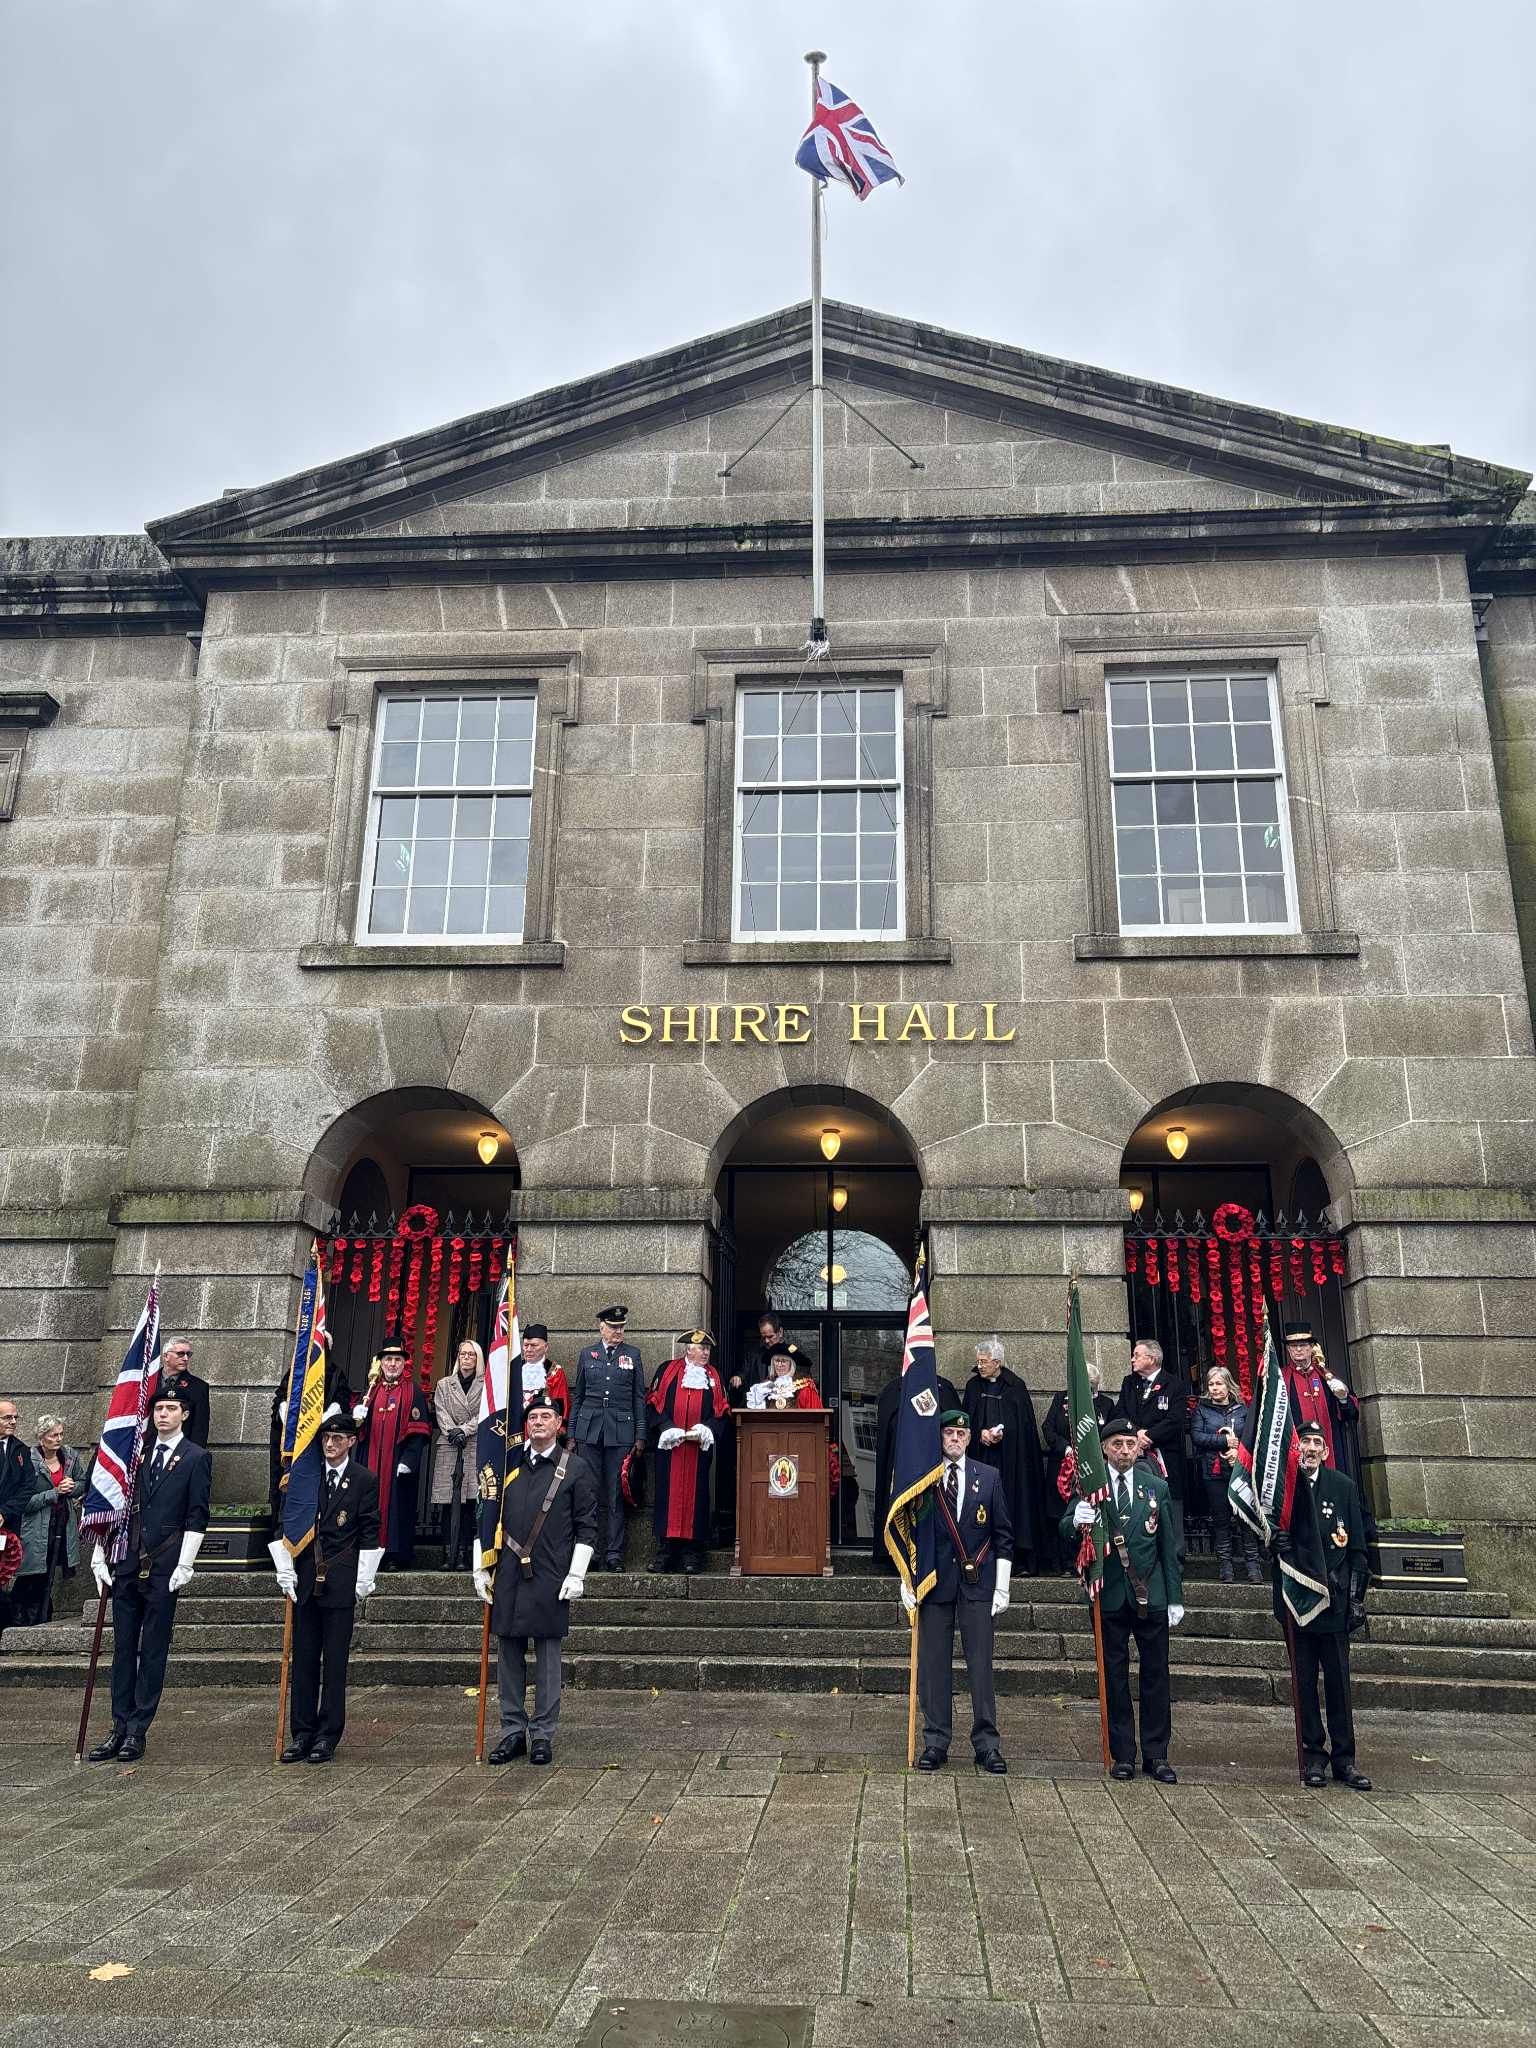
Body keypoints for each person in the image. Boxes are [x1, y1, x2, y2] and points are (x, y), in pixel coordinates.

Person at [87, 1385, 212, 1762]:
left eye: (171, 1408)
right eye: (159, 1408)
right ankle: (118, 1725)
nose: (163, 1415)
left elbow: (197, 1514)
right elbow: (112, 1504)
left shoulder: (196, 1457)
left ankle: (138, 1729)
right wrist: (99, 1552)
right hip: (126, 1561)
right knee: (123, 1649)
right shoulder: (133, 1454)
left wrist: (186, 1562)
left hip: (163, 1564)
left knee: (153, 1649)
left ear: (184, 1414)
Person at [474, 1391, 598, 1765]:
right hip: (509, 1572)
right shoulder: (508, 1463)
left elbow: (587, 1526)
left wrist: (577, 1573)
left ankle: (542, 1733)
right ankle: (512, 1731)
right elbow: (485, 1514)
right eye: (533, 1417)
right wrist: (481, 1564)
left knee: (547, 1658)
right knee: (509, 1654)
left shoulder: (575, 1468)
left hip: (550, 1572)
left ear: (559, 1424)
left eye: (546, 1416)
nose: (538, 1422)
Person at [1067, 1415, 1184, 1784]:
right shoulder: (1091, 1486)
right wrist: (1077, 1520)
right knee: (1114, 1677)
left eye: (1130, 1444)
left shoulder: (1156, 1487)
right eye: (1117, 1444)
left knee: (1156, 1675)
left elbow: (1169, 1546)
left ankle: (1156, 1754)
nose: (1124, 1451)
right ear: (1104, 1448)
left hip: (1151, 1595)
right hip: (1109, 1594)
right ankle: (1123, 1754)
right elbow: (1064, 1527)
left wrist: (1175, 1596)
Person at [902, 1409, 1012, 1774]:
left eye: (960, 1434)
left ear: (969, 1439)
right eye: (948, 1433)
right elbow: (910, 1534)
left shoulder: (989, 1477)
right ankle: (935, 1741)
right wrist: (907, 1579)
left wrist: (1002, 1586)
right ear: (939, 1437)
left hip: (978, 1586)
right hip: (934, 1584)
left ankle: (987, 1744)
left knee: (981, 1667)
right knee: (934, 1667)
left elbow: (1003, 1536)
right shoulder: (923, 1479)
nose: (954, 1439)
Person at [271, 1411, 383, 1765]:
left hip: (340, 1578)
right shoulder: (306, 1475)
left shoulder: (363, 1479)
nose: (330, 1444)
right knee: (304, 1659)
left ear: (351, 1441)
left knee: (335, 1663)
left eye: (337, 1438)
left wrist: (364, 1577)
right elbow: (286, 1521)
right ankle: (301, 1733)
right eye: (325, 1438)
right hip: (305, 1578)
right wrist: (284, 1566)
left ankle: (327, 1735)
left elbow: (369, 1528)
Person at [1278, 1417, 1372, 1791]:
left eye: (1317, 1443)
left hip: (1334, 1601)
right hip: (1298, 1602)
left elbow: (1358, 1549)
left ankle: (1345, 1758)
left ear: (1326, 1450)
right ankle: (1313, 1755)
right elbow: (1263, 1535)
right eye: (1305, 1442)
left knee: (1338, 1683)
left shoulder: (1342, 1486)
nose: (1311, 1449)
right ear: (1295, 1448)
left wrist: (1355, 1599)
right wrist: (1273, 1543)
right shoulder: (1283, 1489)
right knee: (1303, 1683)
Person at [569, 1306, 646, 1573]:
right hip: (589, 1431)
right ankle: (590, 1552)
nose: (618, 1332)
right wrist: (571, 1434)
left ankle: (614, 1554)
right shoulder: (587, 1354)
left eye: (621, 1327)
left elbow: (638, 1397)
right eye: (613, 1327)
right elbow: (578, 1396)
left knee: (615, 1495)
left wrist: (640, 1434)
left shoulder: (632, 1355)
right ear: (601, 1327)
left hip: (621, 1432)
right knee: (589, 1493)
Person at [961, 1337, 1046, 1576]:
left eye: (984, 1362)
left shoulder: (1015, 1387)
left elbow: (1024, 1428)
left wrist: (1003, 1434)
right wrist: (980, 1433)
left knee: (1012, 1504)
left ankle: (1016, 1559)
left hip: (1011, 1462)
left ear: (997, 1362)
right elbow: (964, 1421)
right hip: (980, 1458)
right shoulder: (973, 1387)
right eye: (978, 1361)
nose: (979, 1366)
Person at [646, 1330, 727, 1575]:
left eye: (707, 1349)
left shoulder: (713, 1376)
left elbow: (722, 1409)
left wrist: (708, 1428)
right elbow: (653, 1401)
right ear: (688, 1349)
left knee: (697, 1497)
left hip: (697, 1450)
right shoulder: (667, 1370)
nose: (705, 1353)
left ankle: (692, 1553)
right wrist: (666, 1427)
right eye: (701, 1348)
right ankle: (666, 1552)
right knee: (667, 1496)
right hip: (670, 1448)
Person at [873, 1365, 963, 1569]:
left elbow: (957, 1430)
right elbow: (886, 1436)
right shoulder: (893, 1390)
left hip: (935, 1470)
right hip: (901, 1469)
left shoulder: (944, 1389)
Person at [354, 1342, 432, 1570]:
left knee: (397, 1509)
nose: (392, 1364)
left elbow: (418, 1431)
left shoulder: (413, 1391)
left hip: (397, 1462)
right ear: (381, 1363)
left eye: (397, 1359)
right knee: (366, 1505)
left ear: (404, 1363)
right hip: (370, 1460)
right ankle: (367, 1552)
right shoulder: (370, 1390)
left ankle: (393, 1556)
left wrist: (409, 1460)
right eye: (388, 1359)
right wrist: (355, 1418)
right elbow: (357, 1431)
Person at [1118, 1339, 1190, 1561]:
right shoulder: (1129, 1383)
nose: (1132, 1359)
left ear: (1151, 1358)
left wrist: (1149, 1436)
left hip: (1165, 1455)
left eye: (1136, 1355)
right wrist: (1135, 1436)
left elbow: (1175, 1419)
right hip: (1134, 1454)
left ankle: (1175, 1557)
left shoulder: (1174, 1384)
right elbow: (1121, 1413)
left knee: (1170, 1505)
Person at [13, 1416, 88, 1625]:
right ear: (41, 1437)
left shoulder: (70, 1456)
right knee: (30, 1574)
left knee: (48, 1573)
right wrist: (54, 1493)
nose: (59, 1439)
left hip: (61, 1525)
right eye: (53, 1435)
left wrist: (72, 1487)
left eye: (61, 1434)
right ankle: (22, 1619)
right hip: (34, 1528)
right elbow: (22, 1502)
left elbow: (83, 1483)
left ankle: (41, 1616)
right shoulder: (27, 1460)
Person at [1191, 1366, 1262, 1583]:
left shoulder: (1242, 1410)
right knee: (1221, 1520)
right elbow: (1197, 1437)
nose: (1215, 1388)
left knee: (1245, 1517)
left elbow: (1252, 1437)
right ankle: (1226, 1567)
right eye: (1211, 1384)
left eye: (1219, 1384)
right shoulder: (1202, 1410)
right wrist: (1224, 1441)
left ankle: (1253, 1566)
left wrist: (1237, 1449)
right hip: (1213, 1473)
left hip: (1239, 1471)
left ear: (1228, 1385)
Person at [1282, 1324, 1367, 1501]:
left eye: (1303, 1344)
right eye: (1293, 1345)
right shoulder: (1280, 1380)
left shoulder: (1326, 1377)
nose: (1298, 1349)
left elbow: (1351, 1414)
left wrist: (1343, 1399)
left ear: (1312, 1347)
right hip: (1296, 1454)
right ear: (1288, 1349)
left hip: (1330, 1451)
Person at [1042, 1361, 1113, 1571]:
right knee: (1060, 1512)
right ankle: (1062, 1562)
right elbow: (1048, 1428)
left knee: (1086, 1511)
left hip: (1092, 1468)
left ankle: (1084, 1559)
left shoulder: (1106, 1404)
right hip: (1062, 1466)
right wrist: (1065, 1448)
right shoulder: (1060, 1399)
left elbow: (1110, 1434)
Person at [431, 1340, 485, 1571]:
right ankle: (447, 1553)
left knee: (468, 1503)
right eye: (463, 1354)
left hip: (472, 1444)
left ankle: (462, 1553)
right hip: (449, 1445)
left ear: (478, 1359)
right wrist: (452, 1431)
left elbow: (484, 1413)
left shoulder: (485, 1385)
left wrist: (464, 1430)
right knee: (447, 1501)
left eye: (471, 1355)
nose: (466, 1358)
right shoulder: (444, 1384)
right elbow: (440, 1410)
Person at [0, 1398, 32, 1644]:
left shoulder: (21, 1450)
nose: (13, 1422)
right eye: (7, 1418)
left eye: (15, 1418)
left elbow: (27, 1486)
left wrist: (5, 1512)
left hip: (6, 1526)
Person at [154, 1337, 212, 1449]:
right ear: (166, 1356)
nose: (185, 1358)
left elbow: (200, 1428)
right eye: (180, 1354)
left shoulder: (198, 1387)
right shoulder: (147, 1382)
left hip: (180, 1451)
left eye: (188, 1354)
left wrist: (193, 1457)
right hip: (148, 1451)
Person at [514, 1324, 571, 1429]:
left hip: (542, 1429)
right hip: (514, 1429)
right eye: (526, 1345)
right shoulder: (514, 1370)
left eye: (534, 1345)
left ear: (546, 1347)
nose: (528, 1349)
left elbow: (561, 1407)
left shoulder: (555, 1372)